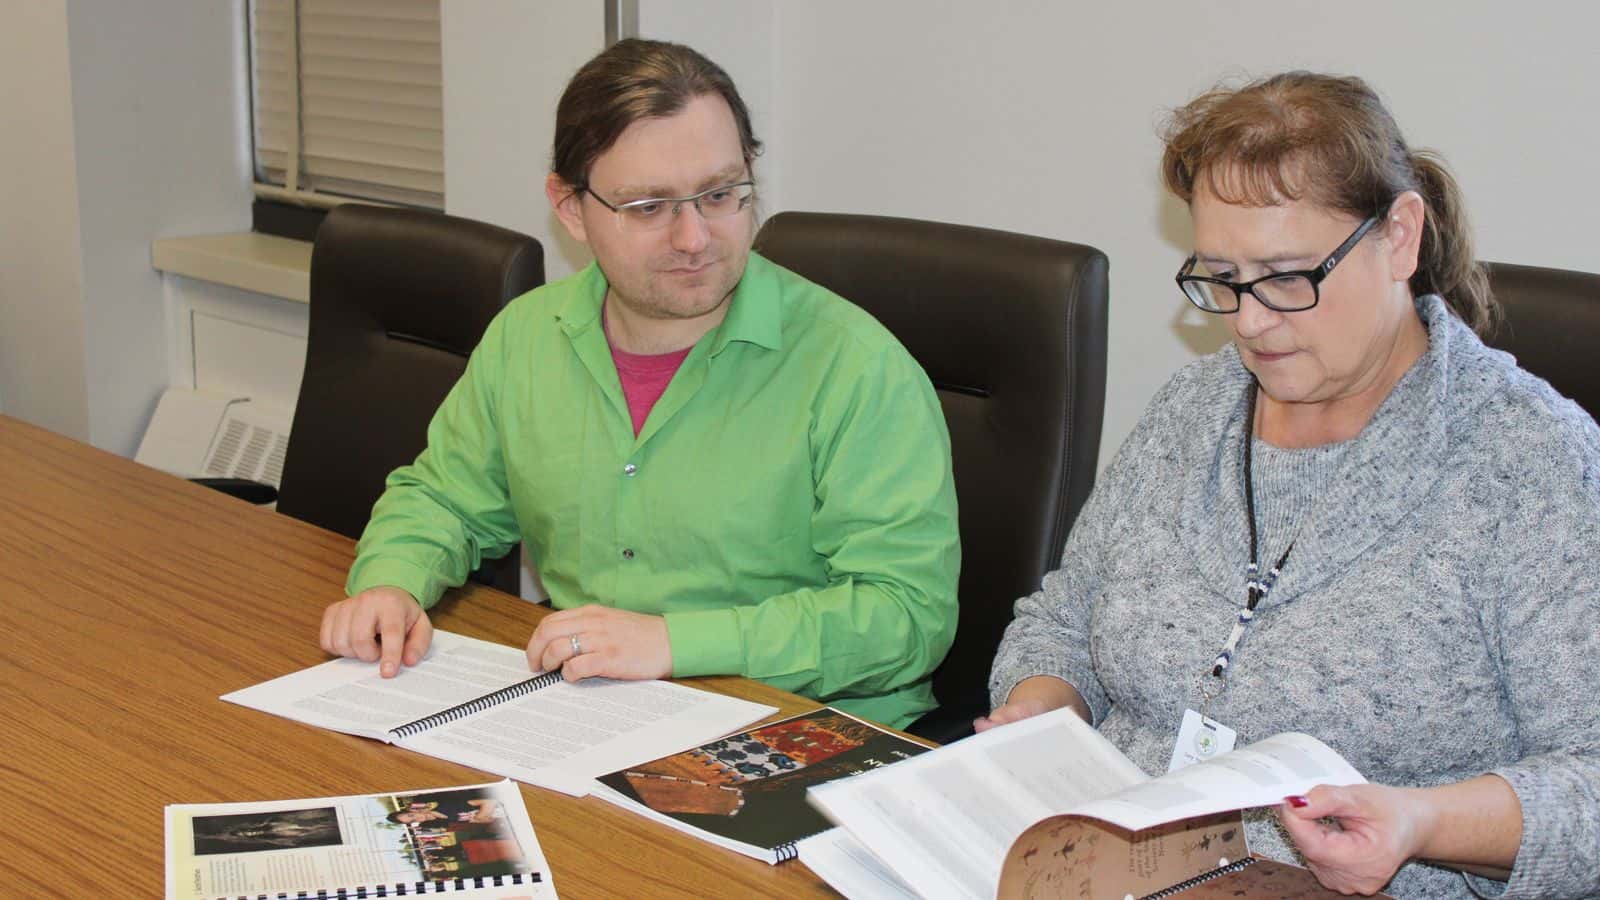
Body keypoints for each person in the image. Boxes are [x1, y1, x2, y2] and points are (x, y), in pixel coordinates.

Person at [981, 72, 1599, 898]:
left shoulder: (1528, 462)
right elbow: (1063, 617)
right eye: (1222, 279)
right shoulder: (1194, 411)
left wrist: (1421, 823)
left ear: (1401, 239)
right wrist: (1040, 709)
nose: (1249, 321)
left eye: (1285, 277)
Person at [318, 39, 959, 730]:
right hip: (593, 708)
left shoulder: (854, 366)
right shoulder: (527, 337)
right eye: (650, 206)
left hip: (804, 729)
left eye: (720, 195)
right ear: (569, 207)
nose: (694, 238)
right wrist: (390, 583)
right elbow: (445, 497)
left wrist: (674, 642)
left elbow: (906, 616)